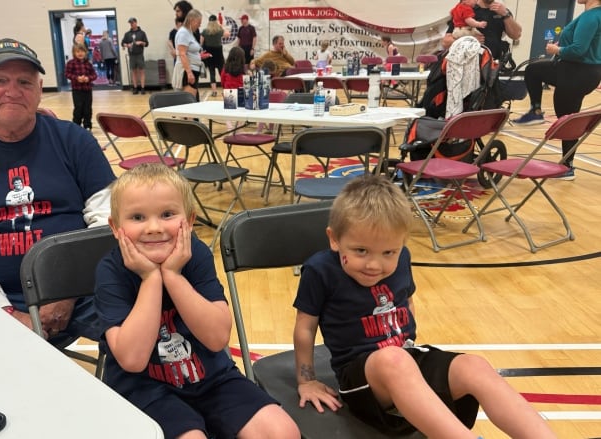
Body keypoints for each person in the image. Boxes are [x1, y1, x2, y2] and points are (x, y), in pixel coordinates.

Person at [292, 175, 558, 439]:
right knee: (393, 359)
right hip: (361, 380)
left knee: (474, 366)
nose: (375, 265)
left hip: (405, 359)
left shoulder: (403, 258)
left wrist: (411, 359)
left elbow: (406, 301)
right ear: (335, 239)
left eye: (388, 253)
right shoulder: (320, 270)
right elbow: (305, 327)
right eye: (361, 251)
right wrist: (307, 381)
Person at [0, 38, 116, 344]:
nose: (13, 92)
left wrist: (69, 292)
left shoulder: (76, 141)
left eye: (24, 82)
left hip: (84, 292)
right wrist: (3, 311)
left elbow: (109, 220)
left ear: (40, 89)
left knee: (150, 329)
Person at [95, 162, 300, 439]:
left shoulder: (196, 256)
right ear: (116, 227)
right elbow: (132, 360)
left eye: (167, 214)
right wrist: (151, 280)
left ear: (189, 221)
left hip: (210, 378)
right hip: (144, 388)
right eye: (138, 217)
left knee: (282, 431)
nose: (154, 227)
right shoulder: (111, 270)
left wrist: (173, 275)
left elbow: (216, 339)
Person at [511, 0, 601, 181]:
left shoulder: (591, 17)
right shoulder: (594, 15)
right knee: (566, 115)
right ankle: (567, 164)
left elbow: (578, 50)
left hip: (576, 72)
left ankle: (566, 165)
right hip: (582, 72)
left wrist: (557, 49)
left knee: (566, 119)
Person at [443, 0, 522, 61]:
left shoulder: (503, 11)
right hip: (467, 65)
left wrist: (505, 14)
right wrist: (468, 41)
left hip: (492, 67)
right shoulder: (466, 8)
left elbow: (516, 35)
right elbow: (446, 42)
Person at [64, 44, 97, 130]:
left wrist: (88, 78)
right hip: (77, 90)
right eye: (78, 51)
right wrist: (77, 78)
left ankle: (87, 125)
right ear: (74, 53)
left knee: (87, 108)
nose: (80, 53)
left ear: (85, 52)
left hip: (87, 90)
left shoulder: (88, 64)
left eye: (82, 51)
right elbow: (67, 74)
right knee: (78, 108)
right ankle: (76, 126)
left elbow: (94, 75)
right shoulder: (71, 63)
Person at [175, 9, 204, 101]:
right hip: (187, 72)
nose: (199, 25)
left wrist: (200, 56)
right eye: (198, 22)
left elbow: (189, 51)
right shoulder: (183, 33)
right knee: (189, 104)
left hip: (193, 70)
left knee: (194, 102)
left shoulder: (189, 33)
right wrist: (189, 72)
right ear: (192, 20)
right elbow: (182, 54)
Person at [122, 17, 149, 95]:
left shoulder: (142, 33)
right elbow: (123, 43)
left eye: (133, 23)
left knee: (142, 71)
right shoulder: (127, 34)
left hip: (140, 54)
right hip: (132, 55)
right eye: (130, 23)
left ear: (136, 23)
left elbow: (146, 43)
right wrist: (127, 45)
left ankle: (143, 88)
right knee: (133, 72)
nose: (131, 24)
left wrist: (141, 42)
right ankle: (135, 88)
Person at [201, 15, 225, 97]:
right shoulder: (219, 31)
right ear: (216, 21)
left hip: (209, 54)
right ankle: (224, 90)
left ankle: (214, 92)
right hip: (218, 54)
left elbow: (201, 43)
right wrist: (221, 26)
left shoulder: (204, 31)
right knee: (222, 72)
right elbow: (228, 34)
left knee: (212, 73)